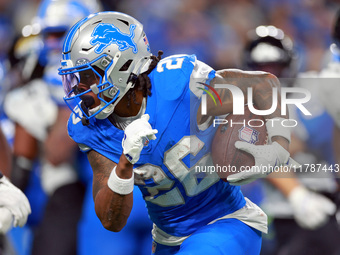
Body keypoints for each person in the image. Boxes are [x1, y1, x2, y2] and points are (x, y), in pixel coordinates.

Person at [59, 11, 298, 255]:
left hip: (226, 221)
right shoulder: (89, 125)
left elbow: (264, 86)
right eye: (76, 79)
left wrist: (279, 144)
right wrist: (124, 163)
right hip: (169, 239)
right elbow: (112, 221)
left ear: (123, 65)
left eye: (87, 76)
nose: (80, 89)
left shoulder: (178, 81)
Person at [242, 25, 340, 255]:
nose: (270, 74)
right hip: (288, 209)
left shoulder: (315, 87)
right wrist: (297, 194)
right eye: (262, 67)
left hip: (329, 196)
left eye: (275, 66)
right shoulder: (246, 104)